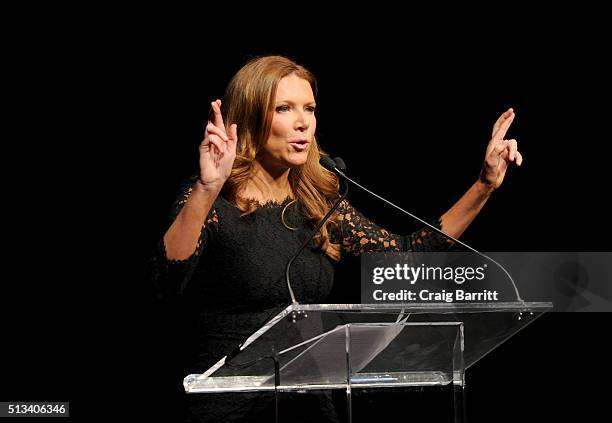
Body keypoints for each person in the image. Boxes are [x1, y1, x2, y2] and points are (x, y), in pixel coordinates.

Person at [146, 55, 522, 422]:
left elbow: (407, 256)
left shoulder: (318, 205)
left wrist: (484, 186)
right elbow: (166, 276)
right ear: (249, 118)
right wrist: (208, 187)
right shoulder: (211, 199)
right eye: (284, 109)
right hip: (230, 406)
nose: (302, 123)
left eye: (309, 109)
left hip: (308, 404)